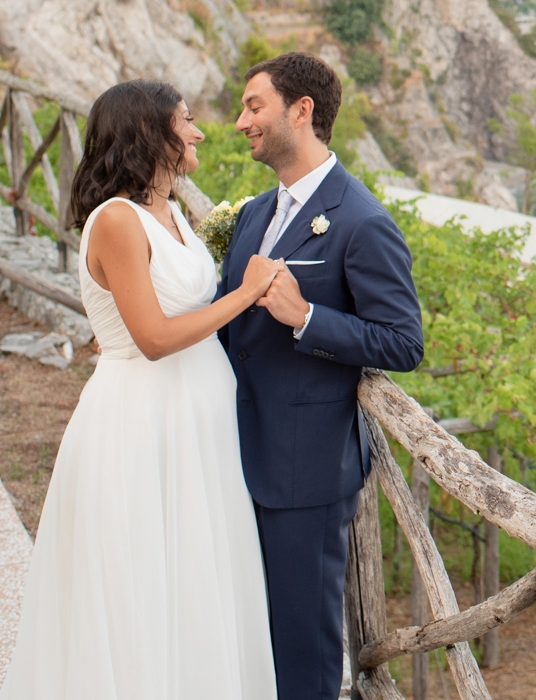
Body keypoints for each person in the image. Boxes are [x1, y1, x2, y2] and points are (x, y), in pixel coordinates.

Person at [0, 81, 290, 698]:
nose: (199, 131)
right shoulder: (116, 221)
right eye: (185, 121)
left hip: (198, 423)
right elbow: (153, 338)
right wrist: (247, 293)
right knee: (147, 581)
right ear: (148, 133)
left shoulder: (172, 208)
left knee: (199, 575)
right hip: (143, 423)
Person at [220, 52, 424, 700]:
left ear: (300, 111)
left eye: (254, 106)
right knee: (249, 630)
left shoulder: (362, 219)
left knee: (303, 650)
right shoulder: (255, 212)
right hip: (237, 454)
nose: (240, 121)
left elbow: (403, 340)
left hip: (305, 470)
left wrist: (307, 316)